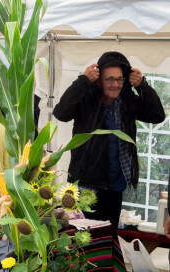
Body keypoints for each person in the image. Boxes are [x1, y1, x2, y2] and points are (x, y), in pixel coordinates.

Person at [54, 51, 165, 235]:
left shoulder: (127, 101)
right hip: (86, 184)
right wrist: (82, 81)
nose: (115, 84)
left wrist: (143, 85)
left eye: (119, 79)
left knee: (108, 238)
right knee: (83, 240)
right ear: (99, 80)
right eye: (109, 79)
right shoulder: (86, 98)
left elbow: (157, 115)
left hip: (115, 186)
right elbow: (61, 113)